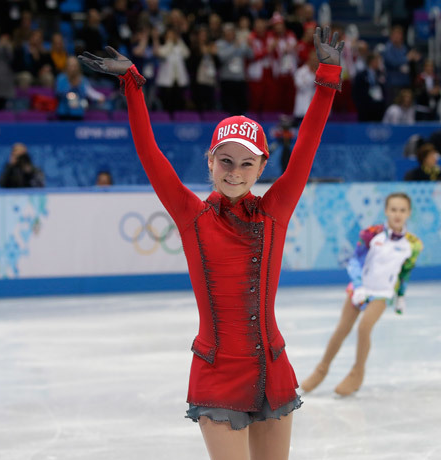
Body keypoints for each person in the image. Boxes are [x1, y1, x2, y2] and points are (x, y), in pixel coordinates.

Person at [78, 27, 343, 460]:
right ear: (210, 160)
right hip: (217, 371)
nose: (234, 172)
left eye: (246, 164)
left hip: (272, 366)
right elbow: (150, 154)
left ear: (261, 167)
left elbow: (307, 146)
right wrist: (132, 86)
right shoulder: (192, 216)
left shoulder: (275, 209)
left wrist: (328, 77)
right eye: (225, 161)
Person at [299, 192, 422, 396]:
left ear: (408, 213)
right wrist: (358, 286)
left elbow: (405, 272)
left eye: (402, 210)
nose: (397, 214)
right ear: (386, 211)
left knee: (364, 328)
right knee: (342, 329)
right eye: (393, 209)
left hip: (382, 293)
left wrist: (400, 296)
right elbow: (355, 261)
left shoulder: (413, 245)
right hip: (360, 288)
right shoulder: (371, 234)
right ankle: (321, 370)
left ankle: (357, 374)